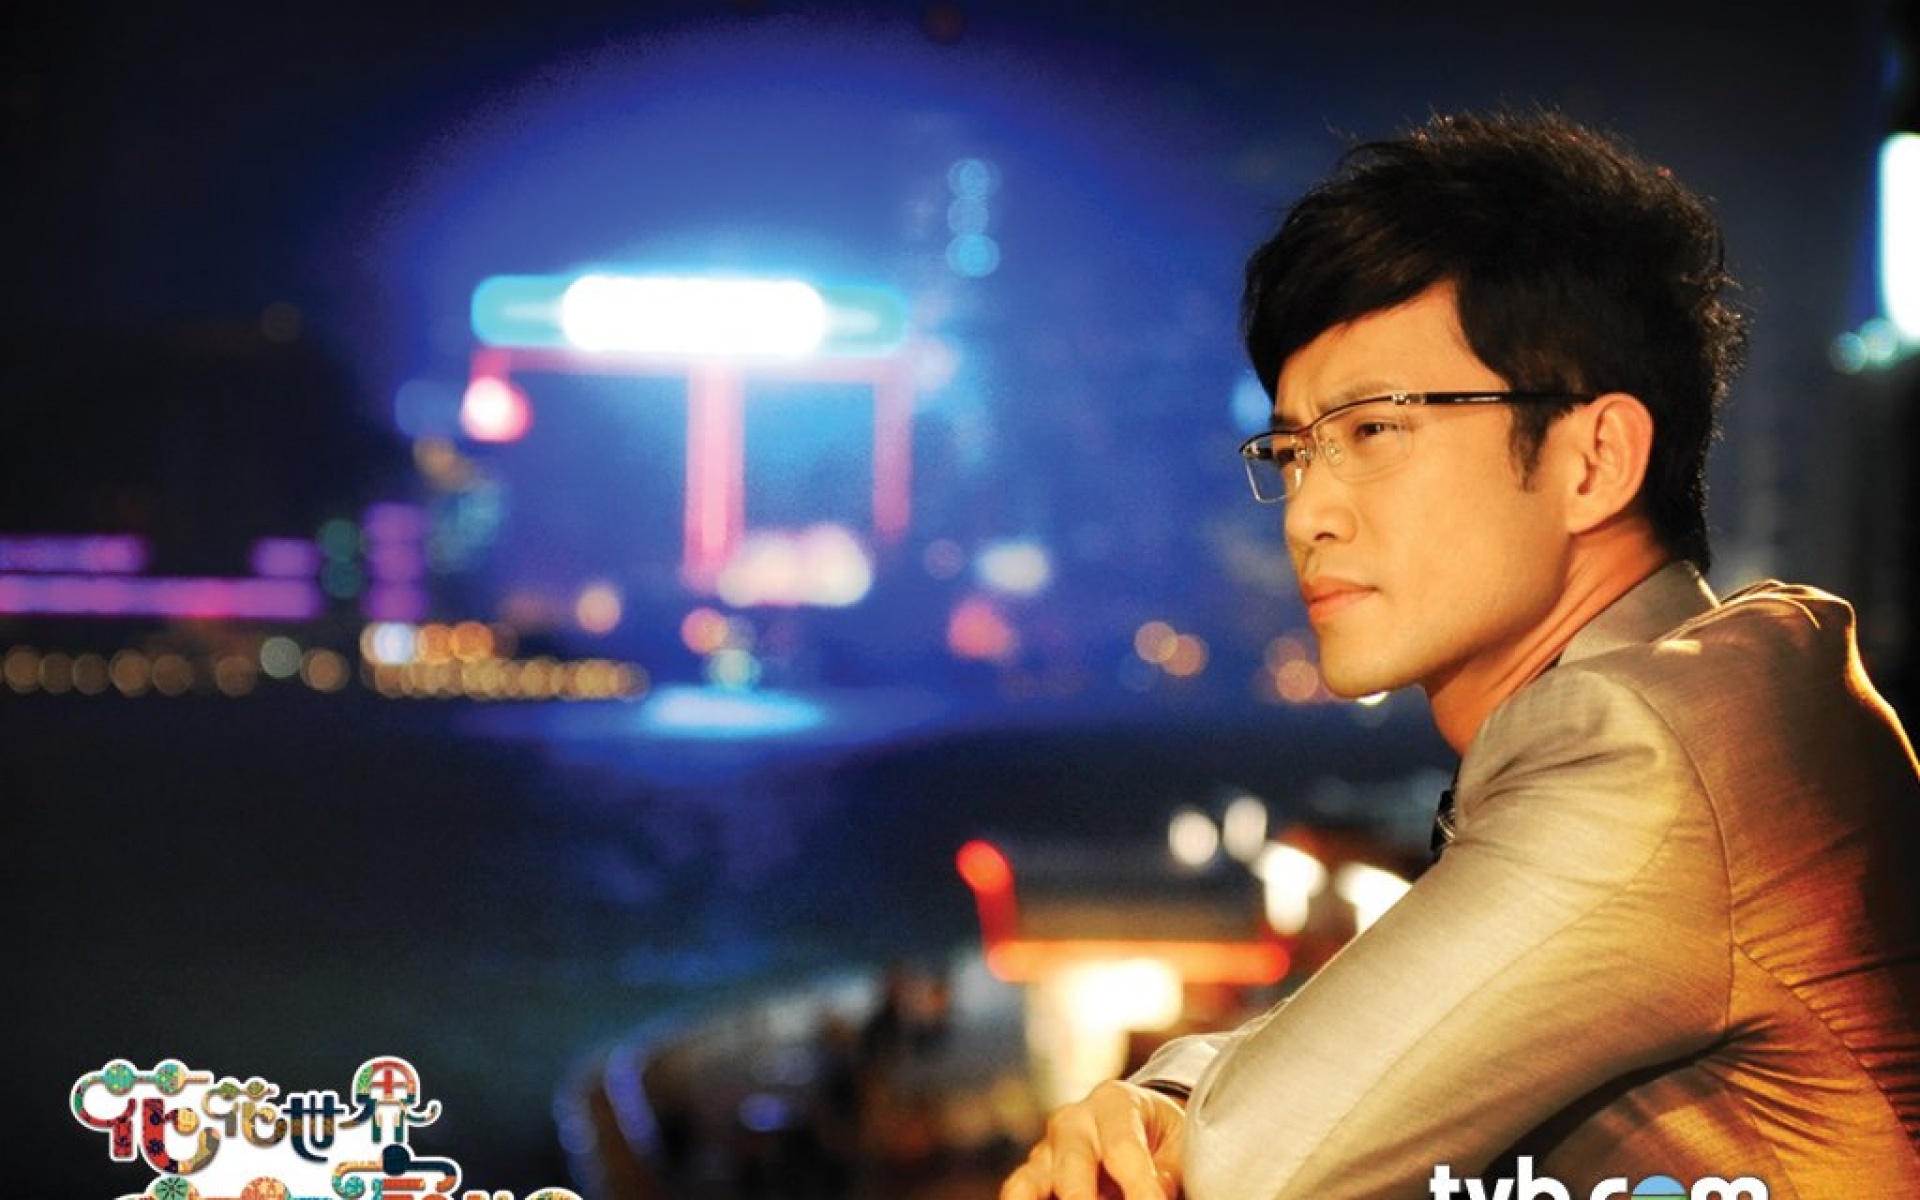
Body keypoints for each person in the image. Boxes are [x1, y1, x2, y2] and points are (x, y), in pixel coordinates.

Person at [1000, 110, 1920, 1200]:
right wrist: (1168, 1098)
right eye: (1292, 452)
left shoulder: (1646, 748)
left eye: (1373, 431)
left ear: (1595, 460)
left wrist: (1175, 1123)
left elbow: (1249, 1173)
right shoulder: (1715, 694)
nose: (1308, 514)